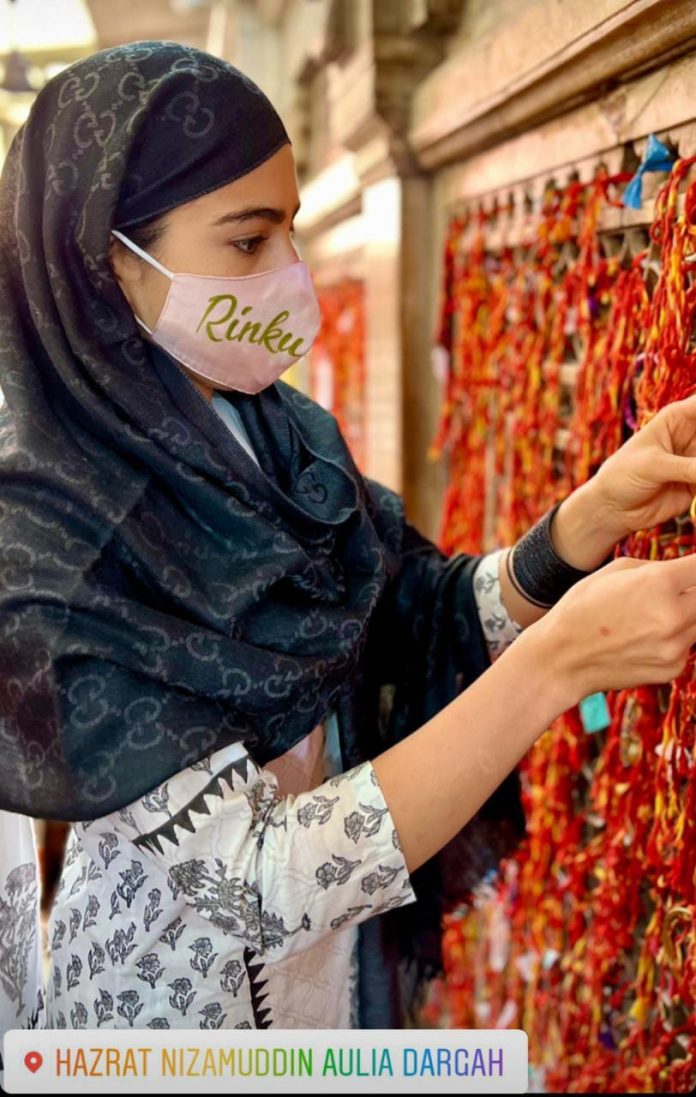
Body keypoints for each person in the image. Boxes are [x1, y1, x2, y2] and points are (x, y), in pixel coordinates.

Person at [1, 40, 696, 1037]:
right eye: (248, 243)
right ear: (110, 265)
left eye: (289, 230)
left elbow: (425, 617)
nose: (292, 276)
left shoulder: (276, 441)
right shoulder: (47, 545)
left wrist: (587, 520)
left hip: (344, 984)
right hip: (177, 1035)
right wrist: (560, 663)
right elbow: (251, 884)